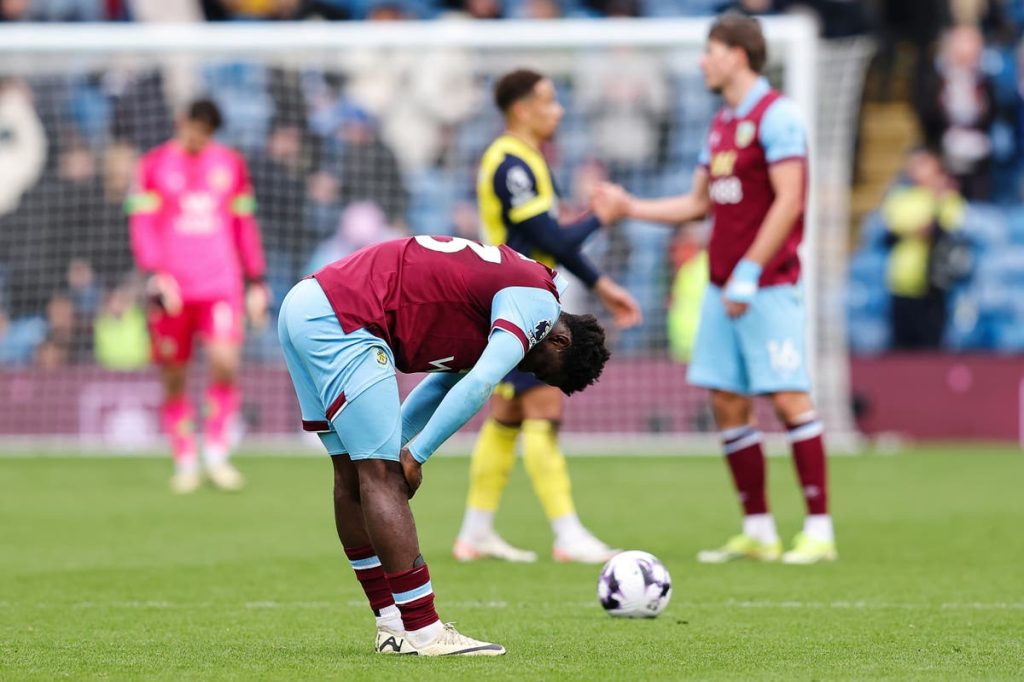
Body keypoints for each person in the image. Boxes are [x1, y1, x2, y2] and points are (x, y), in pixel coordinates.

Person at [277, 235, 611, 655]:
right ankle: (424, 630)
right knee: (380, 477)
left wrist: (398, 443)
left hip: (307, 305)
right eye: (547, 372)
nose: (533, 373)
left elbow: (442, 383)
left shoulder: (498, 304)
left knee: (355, 474)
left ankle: (393, 624)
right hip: (349, 316)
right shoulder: (538, 307)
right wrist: (415, 456)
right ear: (559, 341)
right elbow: (481, 383)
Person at [598, 13, 836, 565]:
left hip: (769, 285)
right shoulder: (721, 124)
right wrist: (630, 206)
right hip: (722, 286)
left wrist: (752, 268)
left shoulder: (778, 117)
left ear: (737, 54)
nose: (703, 62)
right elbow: (698, 203)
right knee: (727, 402)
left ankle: (819, 530)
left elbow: (790, 199)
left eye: (711, 51)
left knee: (788, 397)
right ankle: (758, 529)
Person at [453, 68, 641, 565]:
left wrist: (602, 284)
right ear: (522, 109)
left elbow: (551, 241)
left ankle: (475, 533)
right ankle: (568, 534)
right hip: (512, 300)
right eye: (549, 101)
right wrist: (602, 216)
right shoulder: (509, 162)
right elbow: (550, 239)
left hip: (520, 297)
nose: (557, 110)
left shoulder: (530, 159)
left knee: (508, 417)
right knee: (544, 409)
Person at [127, 99, 269, 494]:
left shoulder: (231, 164)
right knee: (174, 377)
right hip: (171, 287)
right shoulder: (153, 165)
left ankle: (217, 453)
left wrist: (257, 279)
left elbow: (244, 224)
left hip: (221, 285)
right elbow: (143, 224)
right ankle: (185, 457)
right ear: (181, 122)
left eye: (205, 132)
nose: (197, 137)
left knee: (225, 363)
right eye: (194, 128)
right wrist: (155, 274)